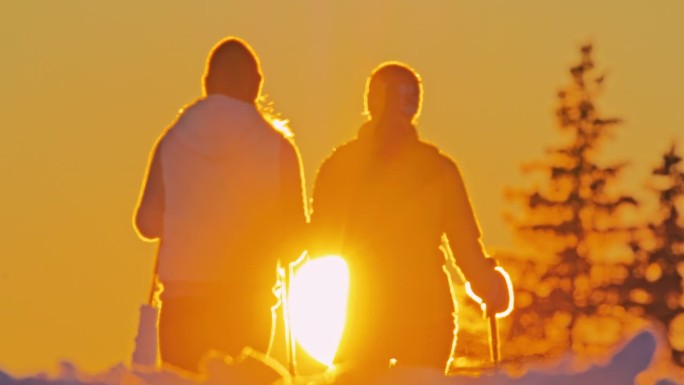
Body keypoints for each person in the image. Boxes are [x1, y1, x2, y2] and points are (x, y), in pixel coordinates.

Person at [309, 62, 510, 375]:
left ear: (369, 102)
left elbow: (319, 244)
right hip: (428, 317)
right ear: (414, 105)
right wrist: (491, 288)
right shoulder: (437, 169)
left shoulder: (340, 166)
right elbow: (465, 248)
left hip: (366, 318)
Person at [134, 37, 307, 373]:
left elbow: (147, 223)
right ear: (256, 85)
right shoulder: (278, 148)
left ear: (207, 84)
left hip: (181, 306)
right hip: (247, 302)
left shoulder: (172, 140)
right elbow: (295, 242)